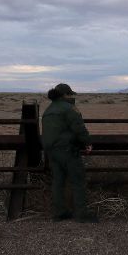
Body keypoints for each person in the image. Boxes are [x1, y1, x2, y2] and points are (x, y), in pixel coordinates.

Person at [41, 83, 98, 223]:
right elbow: (79, 127)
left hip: (51, 151)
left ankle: (59, 212)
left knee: (58, 181)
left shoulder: (48, 110)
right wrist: (87, 142)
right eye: (70, 94)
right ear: (65, 95)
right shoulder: (69, 108)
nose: (71, 96)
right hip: (67, 150)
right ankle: (82, 214)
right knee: (77, 180)